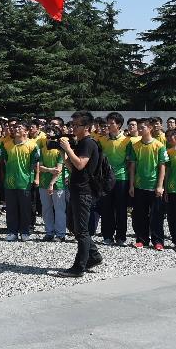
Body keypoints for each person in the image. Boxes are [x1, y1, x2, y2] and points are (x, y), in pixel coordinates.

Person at [54, 111, 103, 278]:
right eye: (72, 125)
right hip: (77, 188)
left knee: (81, 230)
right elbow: (73, 166)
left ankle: (79, 267)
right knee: (72, 223)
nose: (72, 128)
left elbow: (81, 164)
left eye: (76, 125)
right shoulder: (82, 143)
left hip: (84, 191)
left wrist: (68, 148)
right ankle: (94, 256)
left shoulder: (88, 143)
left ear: (87, 127)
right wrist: (63, 154)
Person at [127, 118, 168, 250]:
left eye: (142, 127)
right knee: (140, 214)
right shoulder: (135, 146)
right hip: (139, 185)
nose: (139, 130)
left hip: (154, 186)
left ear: (150, 128)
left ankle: (158, 241)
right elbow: (132, 166)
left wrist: (160, 186)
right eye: (138, 127)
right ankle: (142, 239)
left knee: (156, 215)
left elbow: (162, 166)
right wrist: (132, 185)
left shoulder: (159, 146)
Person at [1, 120, 40, 242]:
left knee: (25, 208)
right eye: (15, 127)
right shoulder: (6, 145)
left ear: (26, 131)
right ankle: (12, 232)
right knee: (11, 208)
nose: (16, 129)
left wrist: (37, 177)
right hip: (10, 181)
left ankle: (25, 232)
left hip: (25, 181)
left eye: (20, 127)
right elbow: (5, 162)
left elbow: (36, 163)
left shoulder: (33, 145)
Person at [98, 112, 131, 245]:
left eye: (112, 123)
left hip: (121, 178)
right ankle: (107, 236)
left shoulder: (127, 141)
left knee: (121, 209)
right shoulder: (102, 140)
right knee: (106, 208)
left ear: (119, 125)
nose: (109, 125)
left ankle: (121, 237)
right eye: (108, 122)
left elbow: (129, 162)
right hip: (106, 179)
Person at [36, 134, 66, 241]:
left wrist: (52, 183)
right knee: (46, 209)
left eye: (53, 138)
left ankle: (61, 233)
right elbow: (40, 166)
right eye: (49, 137)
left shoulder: (60, 150)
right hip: (44, 183)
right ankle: (49, 232)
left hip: (58, 184)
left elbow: (59, 169)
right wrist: (49, 170)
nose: (50, 139)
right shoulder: (42, 150)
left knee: (59, 209)